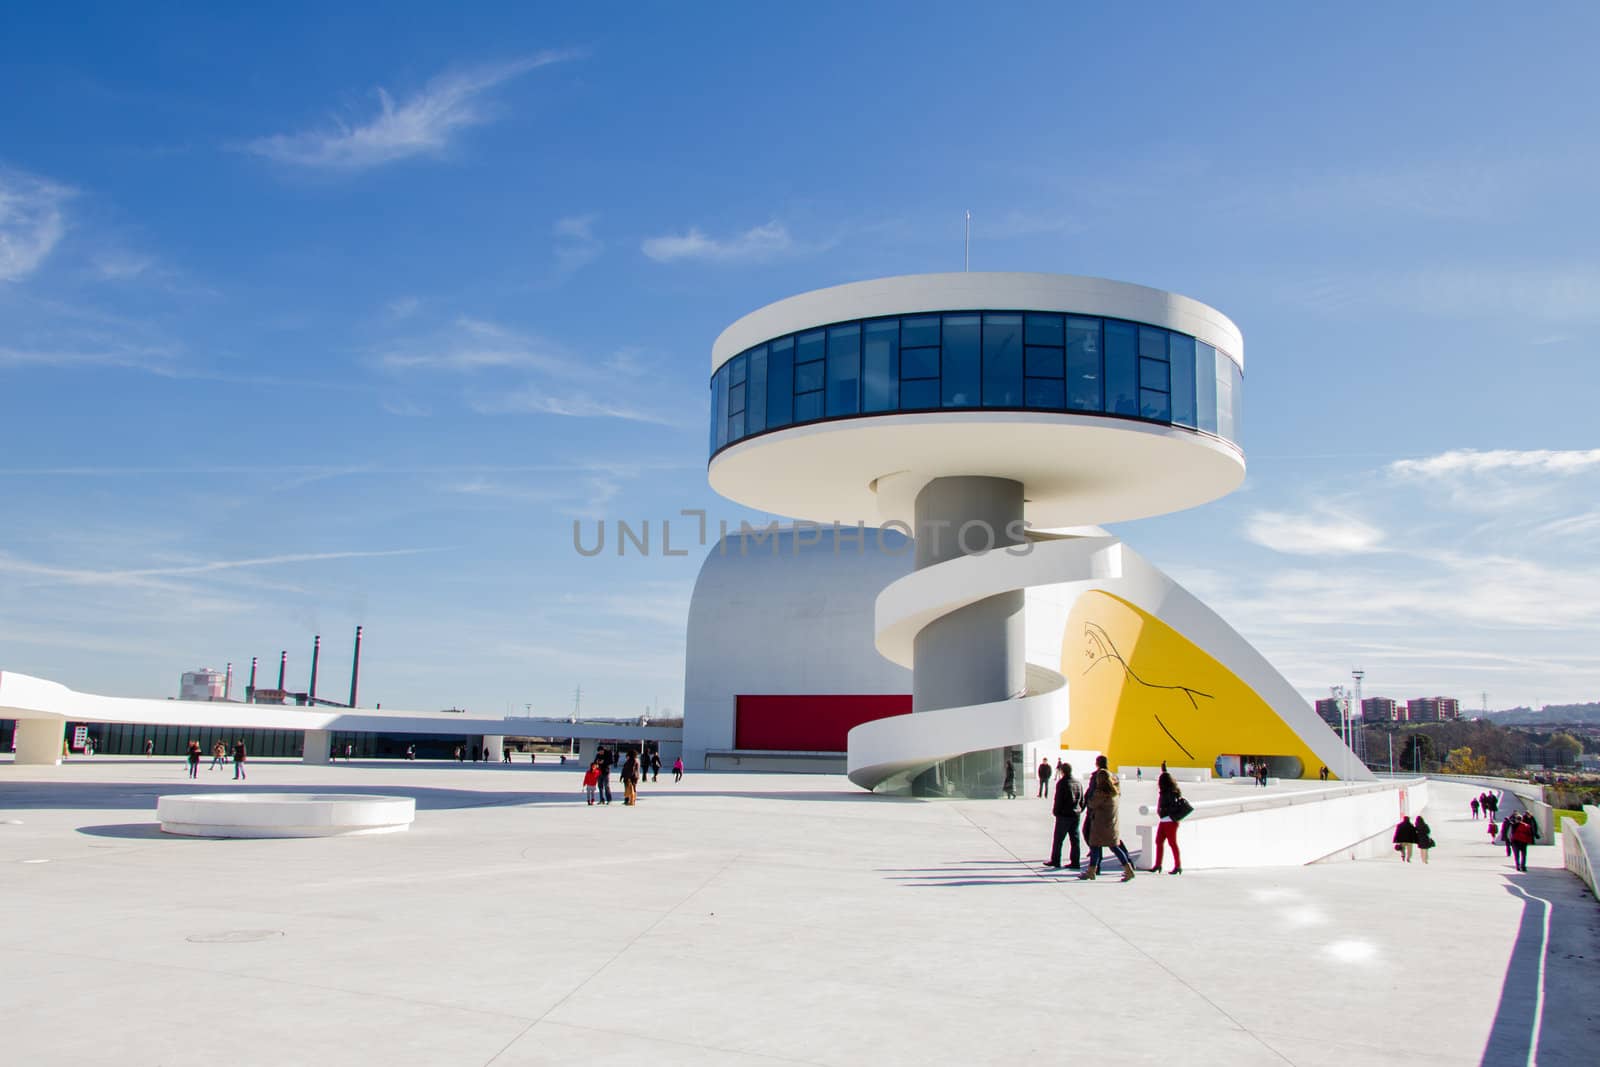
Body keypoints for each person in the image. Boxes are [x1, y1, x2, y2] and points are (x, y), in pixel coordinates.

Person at [1079, 756, 1135, 881]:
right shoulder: (1114, 792)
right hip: (1111, 823)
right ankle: (1128, 868)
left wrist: (1088, 802)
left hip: (1100, 824)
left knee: (1094, 846)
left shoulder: (1100, 793)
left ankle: (1092, 871)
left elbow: (1091, 803)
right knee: (1114, 847)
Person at [1043, 762, 1083, 869]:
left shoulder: (1062, 783)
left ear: (1062, 771)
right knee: (1075, 839)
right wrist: (1079, 810)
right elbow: (1082, 800)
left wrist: (1056, 812)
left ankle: (1056, 860)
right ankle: (1075, 861)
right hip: (1075, 815)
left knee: (1058, 839)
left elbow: (1058, 800)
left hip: (1064, 815)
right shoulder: (1078, 783)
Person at [1151, 771, 1185, 874]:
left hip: (1169, 821)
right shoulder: (1169, 791)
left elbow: (1169, 806)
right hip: (1165, 820)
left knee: (1171, 843)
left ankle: (1177, 866)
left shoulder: (1169, 793)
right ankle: (1158, 865)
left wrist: (1163, 811)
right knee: (1159, 842)